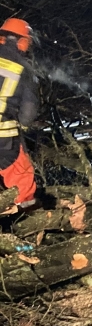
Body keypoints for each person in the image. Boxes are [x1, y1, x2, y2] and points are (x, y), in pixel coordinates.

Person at [0, 18, 39, 209]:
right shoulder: (24, 69)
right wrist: (23, 125)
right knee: (22, 177)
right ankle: (25, 219)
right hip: (5, 136)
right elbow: (29, 110)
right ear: (22, 40)